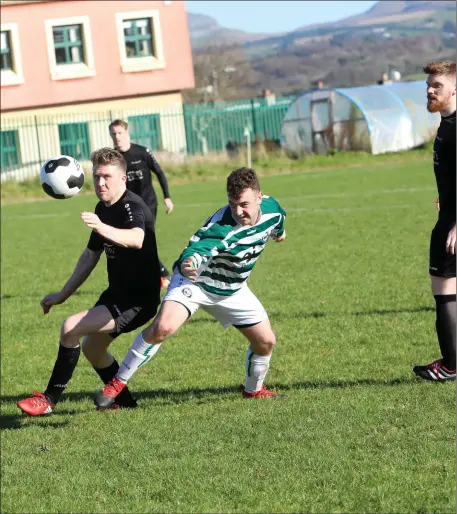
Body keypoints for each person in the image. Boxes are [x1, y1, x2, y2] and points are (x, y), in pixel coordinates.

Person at [94, 167, 287, 408]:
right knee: (162, 328)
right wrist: (189, 264)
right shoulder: (222, 228)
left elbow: (278, 225)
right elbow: (195, 250)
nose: (238, 211)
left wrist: (280, 235)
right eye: (232, 204)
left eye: (245, 204)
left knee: (266, 342)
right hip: (196, 283)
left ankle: (253, 390)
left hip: (233, 289)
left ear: (260, 197)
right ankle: (116, 384)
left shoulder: (273, 211)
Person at [17, 148, 162, 416]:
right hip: (117, 293)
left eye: (107, 176)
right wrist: (62, 294)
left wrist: (101, 227)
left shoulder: (133, 206)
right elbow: (89, 257)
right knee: (93, 349)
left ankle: (48, 400)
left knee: (70, 328)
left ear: (123, 179)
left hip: (138, 300)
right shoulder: (102, 208)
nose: (100, 183)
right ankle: (126, 403)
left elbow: (136, 238)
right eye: (96, 176)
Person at [413, 60, 456, 381]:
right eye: (428, 85)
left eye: (436, 86)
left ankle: (451, 366)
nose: (429, 90)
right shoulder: (447, 123)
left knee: (444, 288)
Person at [109, 119, 174, 289]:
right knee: (132, 244)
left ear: (127, 133)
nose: (117, 137)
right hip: (127, 207)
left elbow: (159, 172)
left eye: (120, 133)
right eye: (113, 134)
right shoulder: (114, 159)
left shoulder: (142, 152)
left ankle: (162, 275)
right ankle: (153, 276)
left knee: (143, 240)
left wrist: (167, 197)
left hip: (148, 204)